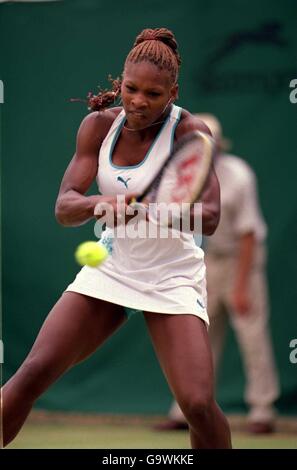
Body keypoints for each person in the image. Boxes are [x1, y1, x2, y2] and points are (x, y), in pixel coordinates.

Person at [1, 29, 232, 449]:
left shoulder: (190, 131)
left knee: (197, 404)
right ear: (120, 82)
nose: (139, 102)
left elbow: (211, 218)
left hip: (172, 275)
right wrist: (100, 204)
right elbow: (64, 207)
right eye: (131, 89)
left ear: (173, 93)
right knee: (32, 373)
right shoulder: (97, 126)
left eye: (153, 94)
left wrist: (151, 209)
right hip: (111, 267)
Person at [156, 114, 279, 434]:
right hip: (208, 261)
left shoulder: (239, 175)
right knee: (198, 337)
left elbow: (249, 233)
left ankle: (262, 412)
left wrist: (240, 288)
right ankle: (184, 412)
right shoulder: (183, 176)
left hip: (244, 262)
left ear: (217, 146)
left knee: (252, 337)